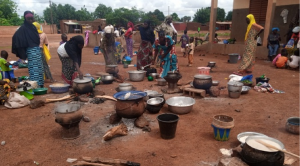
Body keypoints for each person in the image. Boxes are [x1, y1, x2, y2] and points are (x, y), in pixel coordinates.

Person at [12, 11, 44, 87]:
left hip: (37, 50)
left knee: (39, 69)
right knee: (34, 69)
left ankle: (40, 84)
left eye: (31, 18)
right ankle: (35, 85)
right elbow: (15, 38)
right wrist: (23, 49)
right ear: (25, 18)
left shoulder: (33, 27)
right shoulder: (23, 28)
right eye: (28, 18)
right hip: (31, 51)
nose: (30, 20)